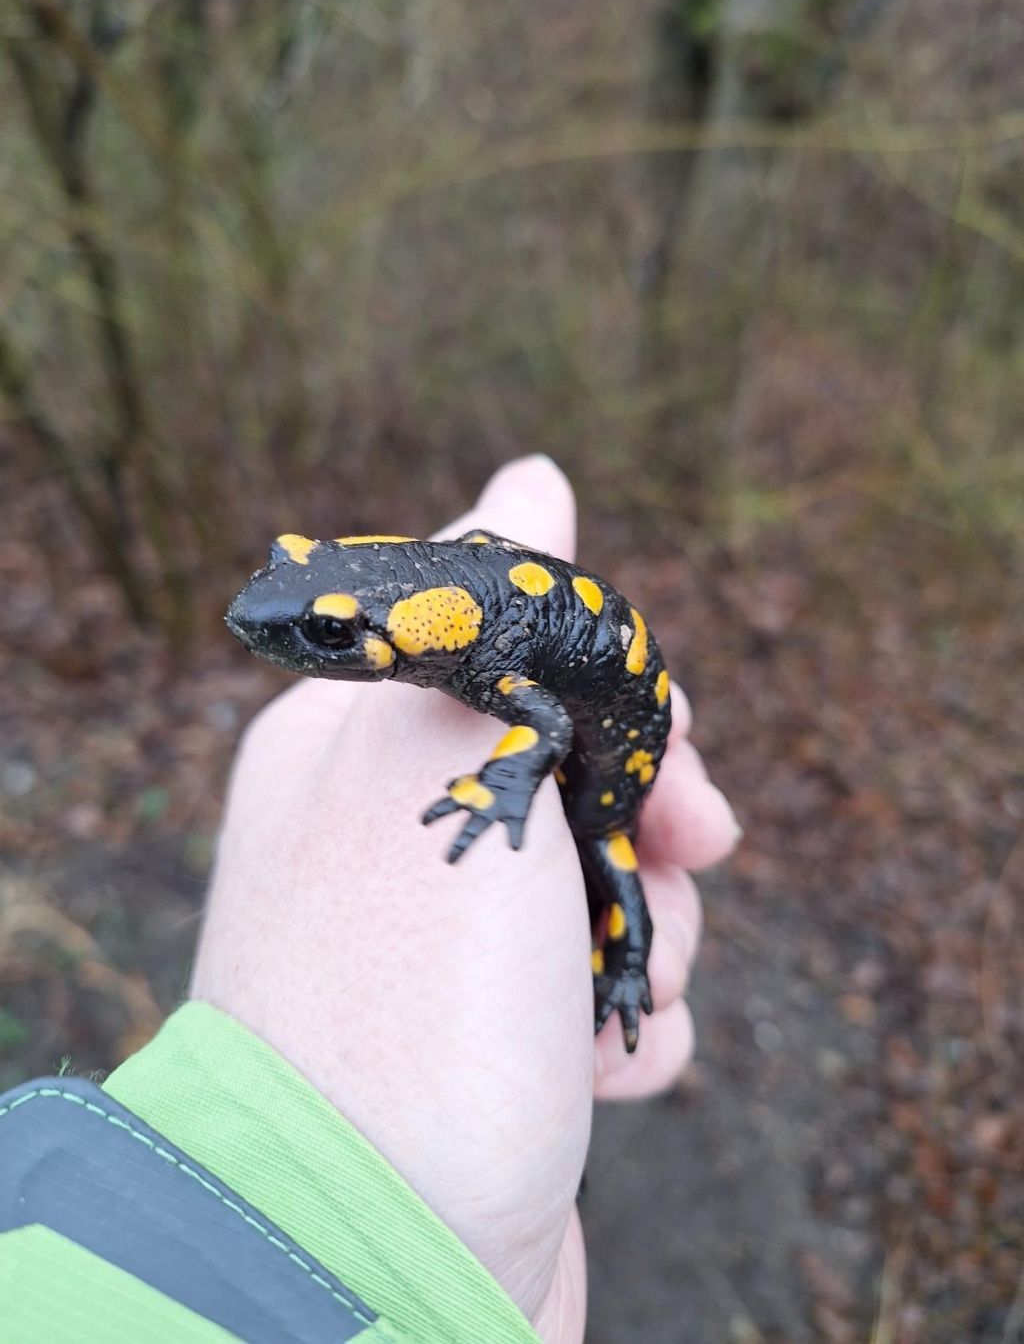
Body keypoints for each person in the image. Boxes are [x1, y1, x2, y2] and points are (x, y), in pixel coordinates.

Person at [0, 456, 739, 1343]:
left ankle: (621, 971)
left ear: (411, 634)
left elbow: (544, 726)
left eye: (329, 631)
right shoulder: (458, 619)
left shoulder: (484, 654)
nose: (270, 622)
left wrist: (504, 790)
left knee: (613, 865)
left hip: (608, 792)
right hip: (582, 714)